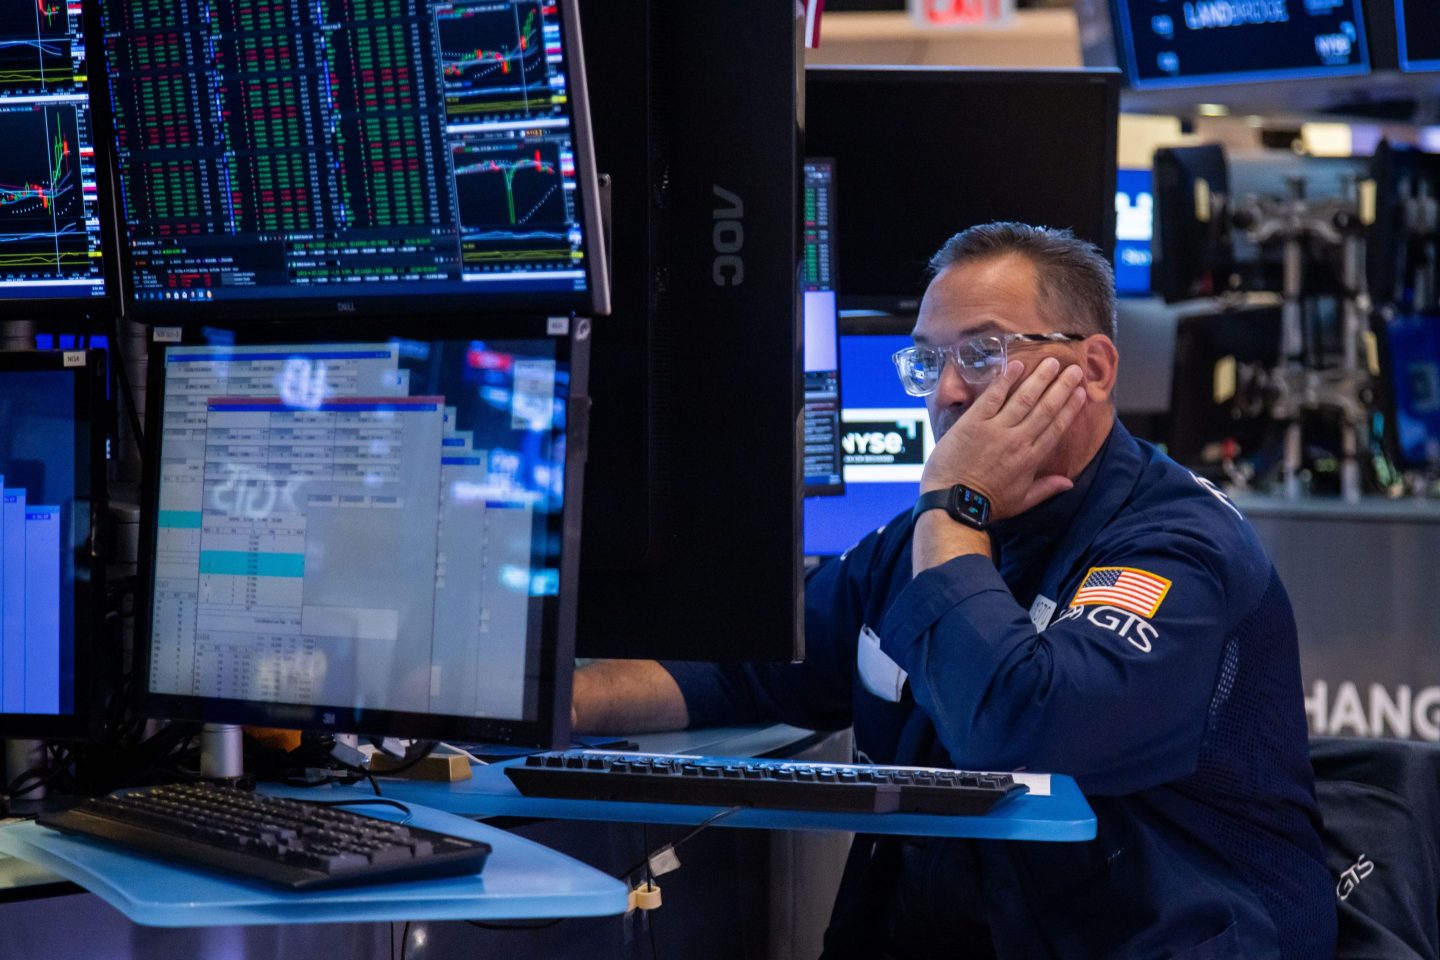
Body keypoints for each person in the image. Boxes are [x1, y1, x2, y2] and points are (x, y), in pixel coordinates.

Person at [574, 222, 1335, 960]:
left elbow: (1026, 735)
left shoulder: (1177, 547)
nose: (946, 393)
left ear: (1096, 368)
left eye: (982, 353)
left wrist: (953, 503)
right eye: (927, 363)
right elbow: (752, 662)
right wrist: (562, 703)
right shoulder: (925, 535)